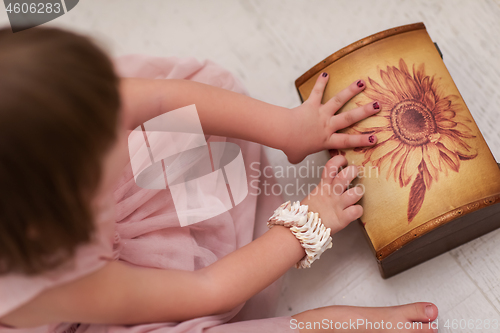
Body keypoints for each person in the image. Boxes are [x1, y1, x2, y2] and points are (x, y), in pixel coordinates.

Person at [0, 27, 438, 333]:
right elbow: (205, 289)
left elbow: (157, 96)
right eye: (107, 133)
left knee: (199, 106)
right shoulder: (52, 285)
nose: (121, 119)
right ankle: (320, 325)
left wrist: (288, 130)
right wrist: (308, 223)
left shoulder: (48, 110)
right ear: (67, 205)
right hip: (85, 305)